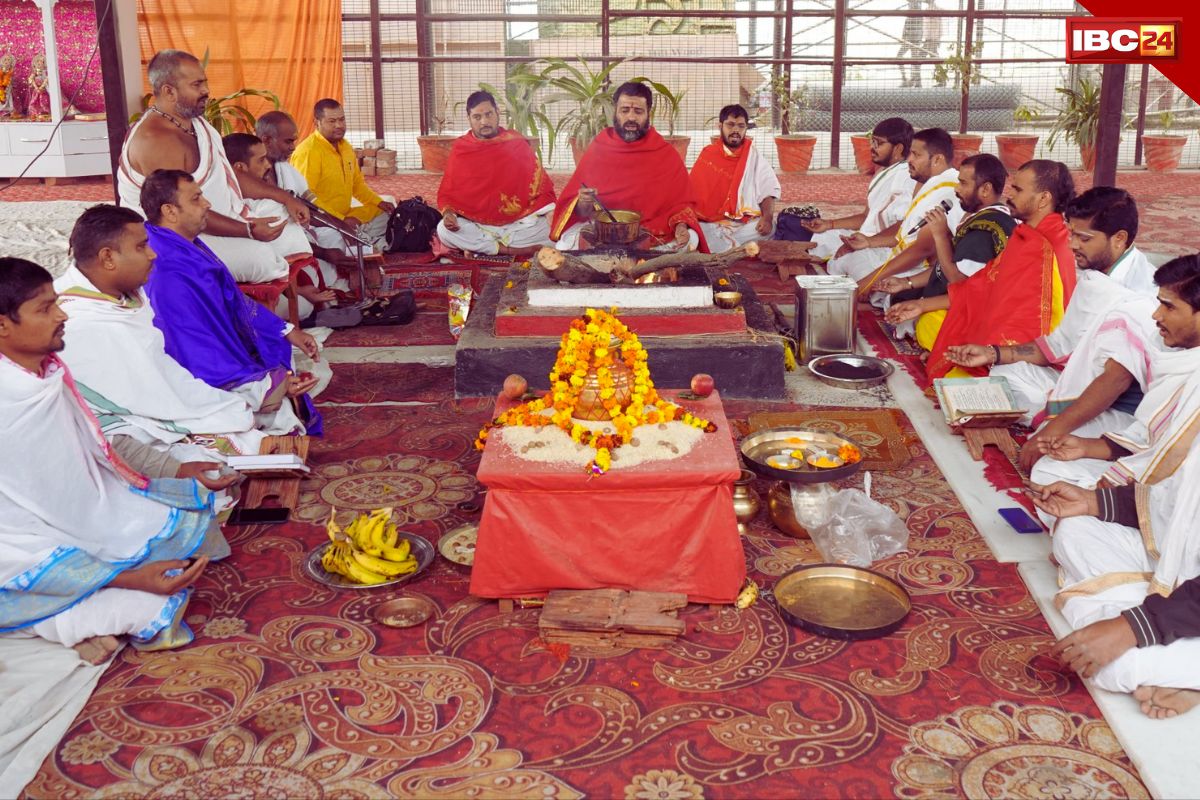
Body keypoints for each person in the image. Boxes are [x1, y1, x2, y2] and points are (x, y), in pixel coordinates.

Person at [0, 257, 227, 663]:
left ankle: (88, 606)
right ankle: (81, 616)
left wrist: (172, 472)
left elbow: (90, 452)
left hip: (82, 514)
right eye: (45, 308)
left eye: (56, 302)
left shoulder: (44, 373)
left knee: (197, 516)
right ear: (3, 325)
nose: (61, 314)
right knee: (152, 609)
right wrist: (124, 577)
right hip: (18, 545)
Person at [1027, 255, 1200, 716]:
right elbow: (1170, 493)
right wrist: (1094, 502)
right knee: (1077, 529)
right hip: (1183, 560)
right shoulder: (1191, 377)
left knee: (1110, 669)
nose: (1155, 316)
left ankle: (1161, 657)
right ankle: (1167, 657)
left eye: (1169, 307)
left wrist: (1134, 626)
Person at [55, 204, 304, 476]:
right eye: (141, 248)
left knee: (263, 414)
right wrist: (247, 397)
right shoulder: (86, 323)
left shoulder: (121, 297)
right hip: (114, 423)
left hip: (158, 398)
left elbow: (160, 372)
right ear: (108, 258)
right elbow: (149, 394)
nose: (152, 255)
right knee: (216, 460)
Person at [943, 188, 1160, 470]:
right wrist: (992, 353)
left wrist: (1049, 433)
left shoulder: (1137, 294)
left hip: (1122, 410)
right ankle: (1050, 416)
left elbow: (1113, 383)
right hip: (1079, 385)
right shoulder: (1097, 277)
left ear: (1119, 239)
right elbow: (1058, 346)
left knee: (1049, 465)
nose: (1072, 245)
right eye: (1071, 234)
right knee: (1006, 373)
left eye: (1084, 238)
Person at [138, 169, 326, 436]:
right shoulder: (168, 272)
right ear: (170, 211)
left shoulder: (184, 245)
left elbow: (232, 300)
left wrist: (285, 330)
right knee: (278, 420)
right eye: (196, 199)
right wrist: (267, 387)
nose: (207, 204)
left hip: (220, 355)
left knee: (286, 370)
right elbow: (194, 348)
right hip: (203, 376)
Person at [117, 50, 312, 285]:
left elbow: (229, 176)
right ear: (169, 91)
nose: (206, 91)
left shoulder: (195, 124)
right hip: (180, 238)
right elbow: (183, 214)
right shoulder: (156, 141)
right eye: (197, 84)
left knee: (285, 220)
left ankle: (298, 303)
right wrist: (248, 231)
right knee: (262, 258)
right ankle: (265, 313)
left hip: (222, 216)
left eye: (205, 82)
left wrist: (285, 197)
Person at [1029, 255, 1200, 494]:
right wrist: (1084, 447)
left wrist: (1101, 499)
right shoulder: (1172, 349)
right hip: (1147, 464)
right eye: (1159, 303)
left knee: (1071, 515)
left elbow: (1174, 461)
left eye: (1169, 307)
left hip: (1178, 493)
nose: (1156, 315)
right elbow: (1148, 437)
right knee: (1050, 469)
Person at [926, 160, 1077, 380]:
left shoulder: (1047, 247)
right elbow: (983, 284)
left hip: (1026, 355)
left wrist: (990, 351)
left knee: (958, 379)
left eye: (1018, 189)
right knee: (929, 323)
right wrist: (921, 304)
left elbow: (1033, 325)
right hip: (993, 331)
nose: (1010, 195)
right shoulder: (1025, 233)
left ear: (1044, 198)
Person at [879, 153, 1016, 345]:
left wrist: (940, 236)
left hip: (975, 311)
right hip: (955, 298)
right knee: (898, 298)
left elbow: (959, 282)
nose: (957, 189)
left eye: (963, 183)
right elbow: (946, 267)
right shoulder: (985, 218)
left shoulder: (984, 231)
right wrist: (906, 282)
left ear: (985, 189)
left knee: (926, 324)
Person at [551, 81, 704, 252]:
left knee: (692, 240)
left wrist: (681, 227)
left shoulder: (664, 152)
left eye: (638, 111)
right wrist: (584, 203)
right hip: (605, 232)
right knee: (563, 245)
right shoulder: (600, 146)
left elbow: (681, 203)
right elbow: (580, 210)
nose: (631, 117)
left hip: (653, 233)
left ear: (648, 114)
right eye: (625, 110)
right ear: (616, 112)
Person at [224, 132, 354, 322]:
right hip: (259, 277)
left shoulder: (280, 172)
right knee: (303, 307)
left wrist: (340, 225)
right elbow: (263, 261)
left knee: (332, 239)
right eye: (261, 160)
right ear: (239, 168)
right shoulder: (239, 202)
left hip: (289, 261)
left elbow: (308, 207)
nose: (267, 165)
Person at [255, 111, 378, 305]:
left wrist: (341, 226)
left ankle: (337, 286)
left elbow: (311, 208)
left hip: (303, 235)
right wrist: (323, 252)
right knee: (306, 303)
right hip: (278, 248)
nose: (293, 147)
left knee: (339, 237)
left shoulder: (283, 168)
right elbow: (280, 239)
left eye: (294, 141)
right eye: (288, 142)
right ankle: (326, 292)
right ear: (266, 140)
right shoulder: (251, 178)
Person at [436, 90, 556, 258]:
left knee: (557, 227)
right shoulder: (461, 148)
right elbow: (449, 192)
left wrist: (550, 212)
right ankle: (510, 251)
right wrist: (449, 215)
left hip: (518, 224)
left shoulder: (515, 142)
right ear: (469, 119)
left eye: (488, 114)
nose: (484, 122)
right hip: (478, 225)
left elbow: (540, 186)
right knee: (443, 230)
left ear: (497, 113)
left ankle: (484, 249)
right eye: (477, 117)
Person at [849, 127, 963, 295]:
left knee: (865, 280)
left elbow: (923, 249)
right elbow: (908, 228)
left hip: (924, 270)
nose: (909, 159)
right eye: (910, 153)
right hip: (903, 255)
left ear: (937, 159)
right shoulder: (930, 183)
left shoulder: (948, 193)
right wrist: (870, 241)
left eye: (916, 155)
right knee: (849, 260)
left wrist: (867, 282)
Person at [805, 118, 916, 276]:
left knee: (855, 261)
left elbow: (904, 227)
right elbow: (866, 216)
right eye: (873, 142)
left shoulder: (905, 177)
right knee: (822, 236)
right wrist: (828, 224)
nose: (873, 148)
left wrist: (868, 243)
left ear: (898, 148)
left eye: (879, 143)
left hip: (885, 245)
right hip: (865, 238)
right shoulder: (884, 172)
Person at [291, 98, 396, 251]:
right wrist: (341, 221)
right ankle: (366, 241)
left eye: (342, 119)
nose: (339, 125)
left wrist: (378, 202)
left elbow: (357, 186)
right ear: (317, 122)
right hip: (324, 221)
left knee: (387, 210)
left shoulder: (345, 147)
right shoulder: (308, 152)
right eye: (332, 121)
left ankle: (365, 239)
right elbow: (307, 200)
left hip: (346, 214)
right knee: (339, 235)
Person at [689, 103, 781, 253]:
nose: (736, 130)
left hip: (743, 224)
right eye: (730, 125)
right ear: (720, 126)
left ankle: (719, 246)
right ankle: (726, 246)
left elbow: (768, 190)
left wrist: (767, 218)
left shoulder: (754, 156)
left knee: (771, 228)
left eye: (741, 126)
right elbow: (692, 194)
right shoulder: (708, 154)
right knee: (693, 232)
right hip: (709, 223)